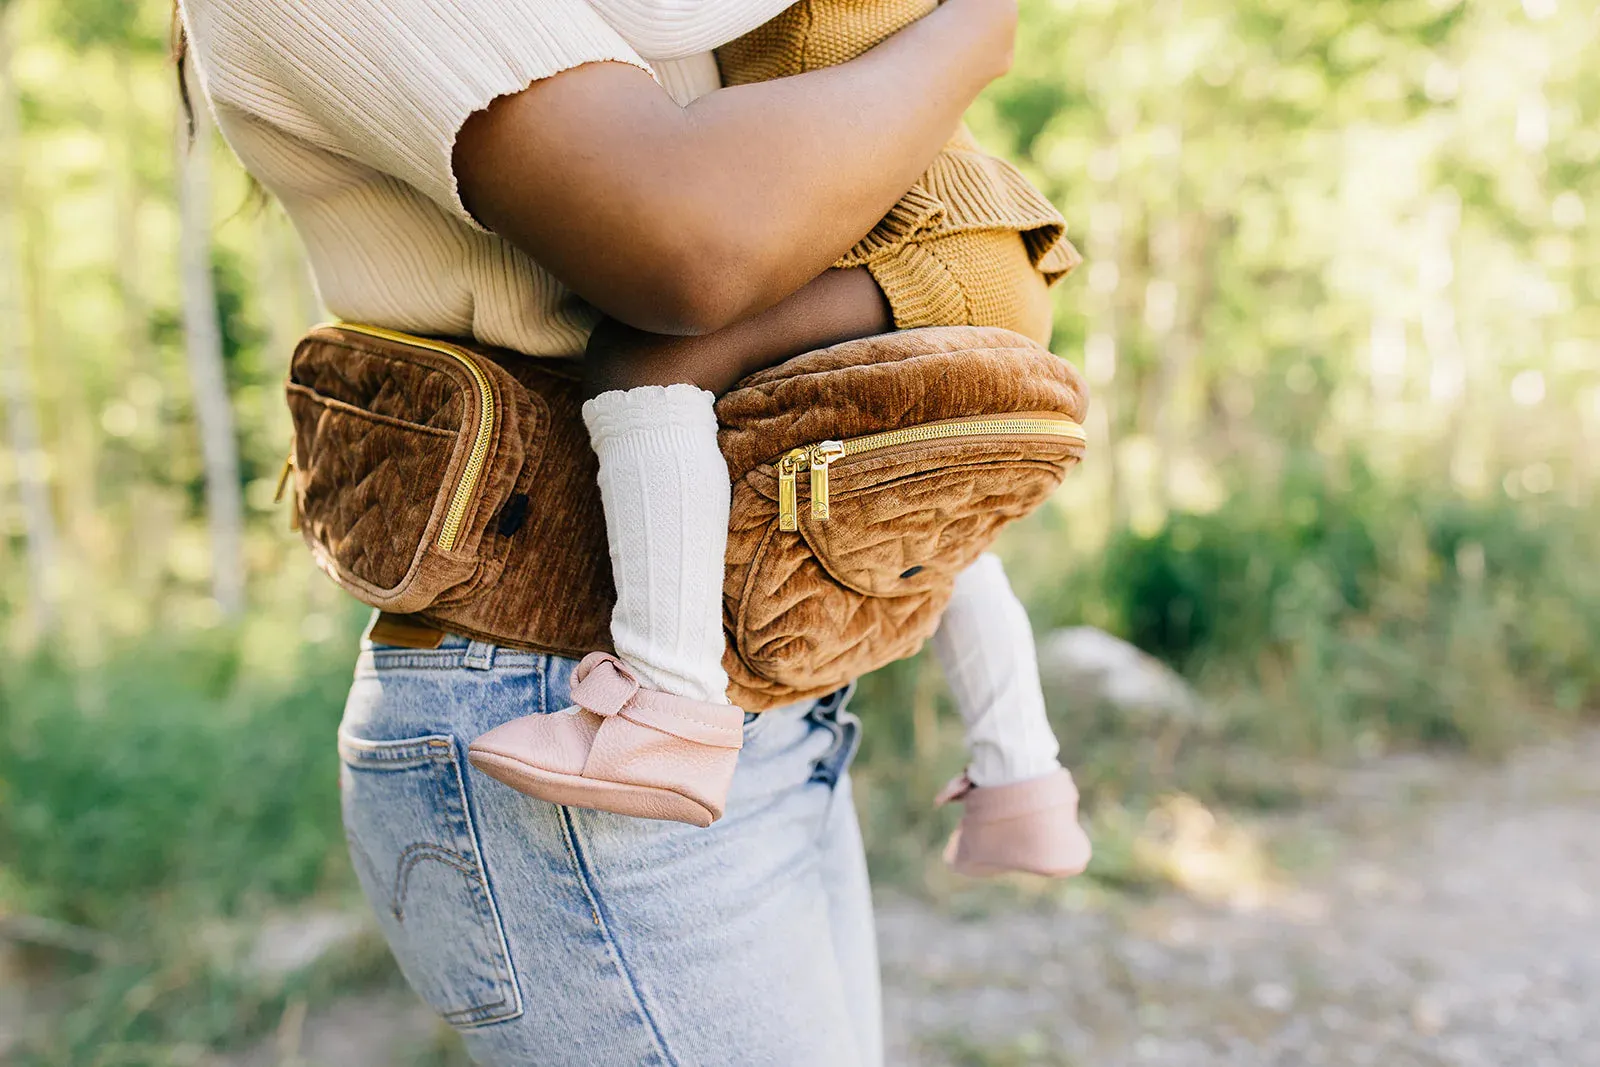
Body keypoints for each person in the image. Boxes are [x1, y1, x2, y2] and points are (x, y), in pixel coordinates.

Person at [176, 0, 1038, 1062]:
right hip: (560, 669)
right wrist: (968, 32)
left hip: (755, 670)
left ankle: (1023, 769)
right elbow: (690, 238)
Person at [464, 0, 1092, 879]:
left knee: (649, 354)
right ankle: (1025, 783)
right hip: (982, 243)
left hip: (922, 237)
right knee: (916, 509)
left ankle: (667, 707)